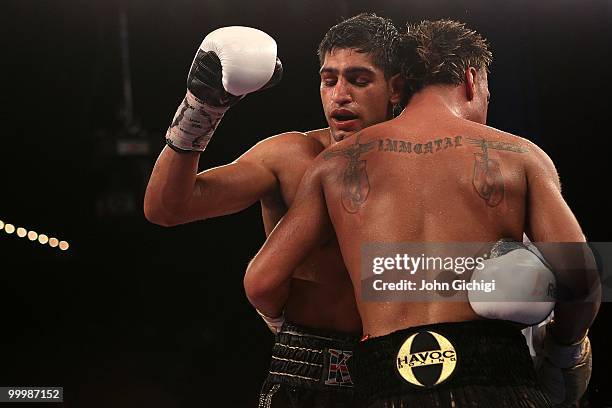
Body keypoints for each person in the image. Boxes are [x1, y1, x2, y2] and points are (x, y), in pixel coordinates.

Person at [244, 19, 600, 407]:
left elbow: (260, 282)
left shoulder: (334, 163)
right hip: (498, 373)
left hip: (384, 377)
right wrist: (566, 349)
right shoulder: (519, 155)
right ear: (471, 79)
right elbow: (582, 280)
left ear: (399, 87)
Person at [144, 14, 404, 406]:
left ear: (396, 88)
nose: (340, 95)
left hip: (402, 364)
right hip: (302, 368)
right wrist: (200, 110)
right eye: (329, 79)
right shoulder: (291, 156)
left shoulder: (423, 166)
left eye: (359, 79)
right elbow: (167, 207)